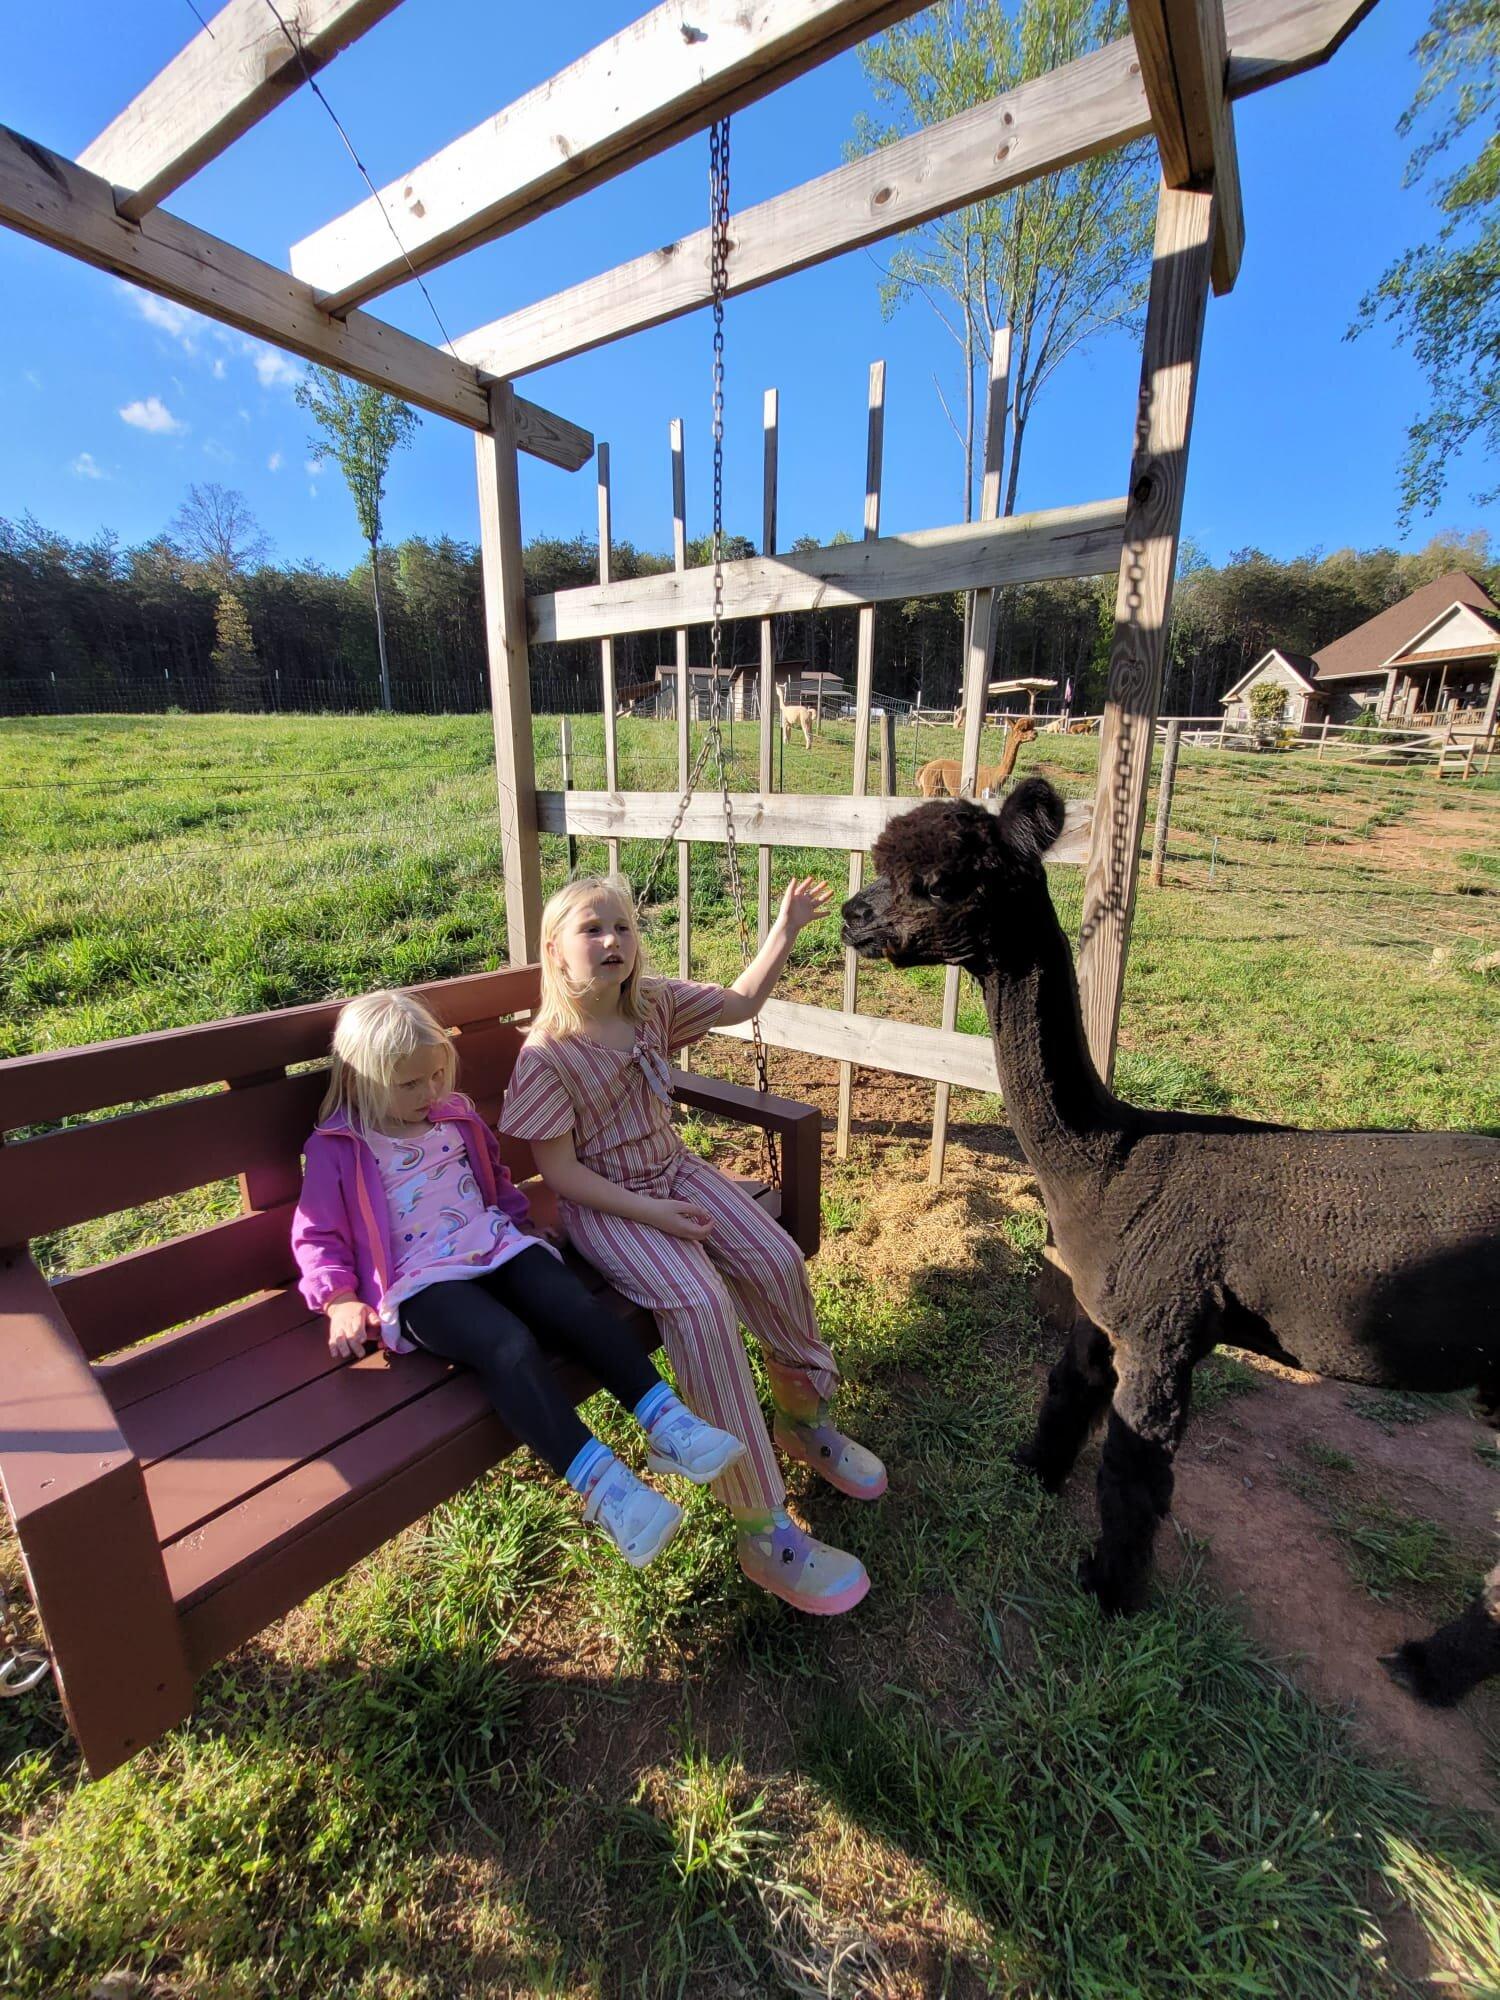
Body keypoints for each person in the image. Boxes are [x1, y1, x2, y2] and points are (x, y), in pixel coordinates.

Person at [500, 874, 886, 1617]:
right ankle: (761, 1524)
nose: (613, 941)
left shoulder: (653, 1007)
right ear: (555, 950)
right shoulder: (548, 1056)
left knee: (774, 1257)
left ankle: (802, 1418)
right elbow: (561, 1175)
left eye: (623, 926)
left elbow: (742, 1004)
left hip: (673, 1172)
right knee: (703, 1305)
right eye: (592, 929)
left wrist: (786, 928)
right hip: (610, 1205)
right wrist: (656, 1214)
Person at [291, 989, 747, 1571]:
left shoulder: (453, 1116)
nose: (429, 1092)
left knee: (572, 1305)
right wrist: (340, 1299)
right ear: (362, 1081)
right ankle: (607, 1489)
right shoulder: (339, 1147)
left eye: (436, 1075)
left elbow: (493, 1178)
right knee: (506, 1344)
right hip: (421, 1283)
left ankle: (666, 1419)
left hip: (494, 1244)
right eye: (409, 1085)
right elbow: (317, 1232)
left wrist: (521, 1225)